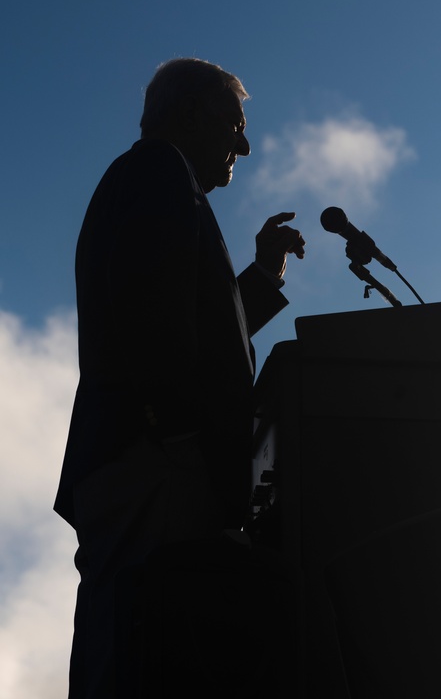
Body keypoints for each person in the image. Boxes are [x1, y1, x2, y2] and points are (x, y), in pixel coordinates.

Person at [54, 58, 306, 698]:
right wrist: (176, 436)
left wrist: (264, 276)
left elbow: (188, 328)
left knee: (147, 643)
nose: (243, 145)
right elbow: (150, 318)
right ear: (189, 113)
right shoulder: (157, 172)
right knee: (135, 643)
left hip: (153, 460)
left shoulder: (157, 181)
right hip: (153, 466)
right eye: (234, 124)